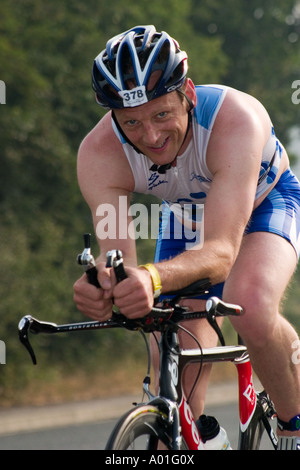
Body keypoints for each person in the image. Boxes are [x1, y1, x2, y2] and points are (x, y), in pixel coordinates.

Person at [73, 25, 300, 449]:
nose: (152, 137)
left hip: (266, 201)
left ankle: (295, 426)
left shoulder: (236, 119)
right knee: (173, 380)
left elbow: (219, 253)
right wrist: (106, 286)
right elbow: (118, 259)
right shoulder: (99, 154)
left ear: (189, 94)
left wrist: (153, 279)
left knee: (249, 304)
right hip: (187, 218)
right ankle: (200, 439)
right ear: (114, 119)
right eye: (132, 123)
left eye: (162, 115)